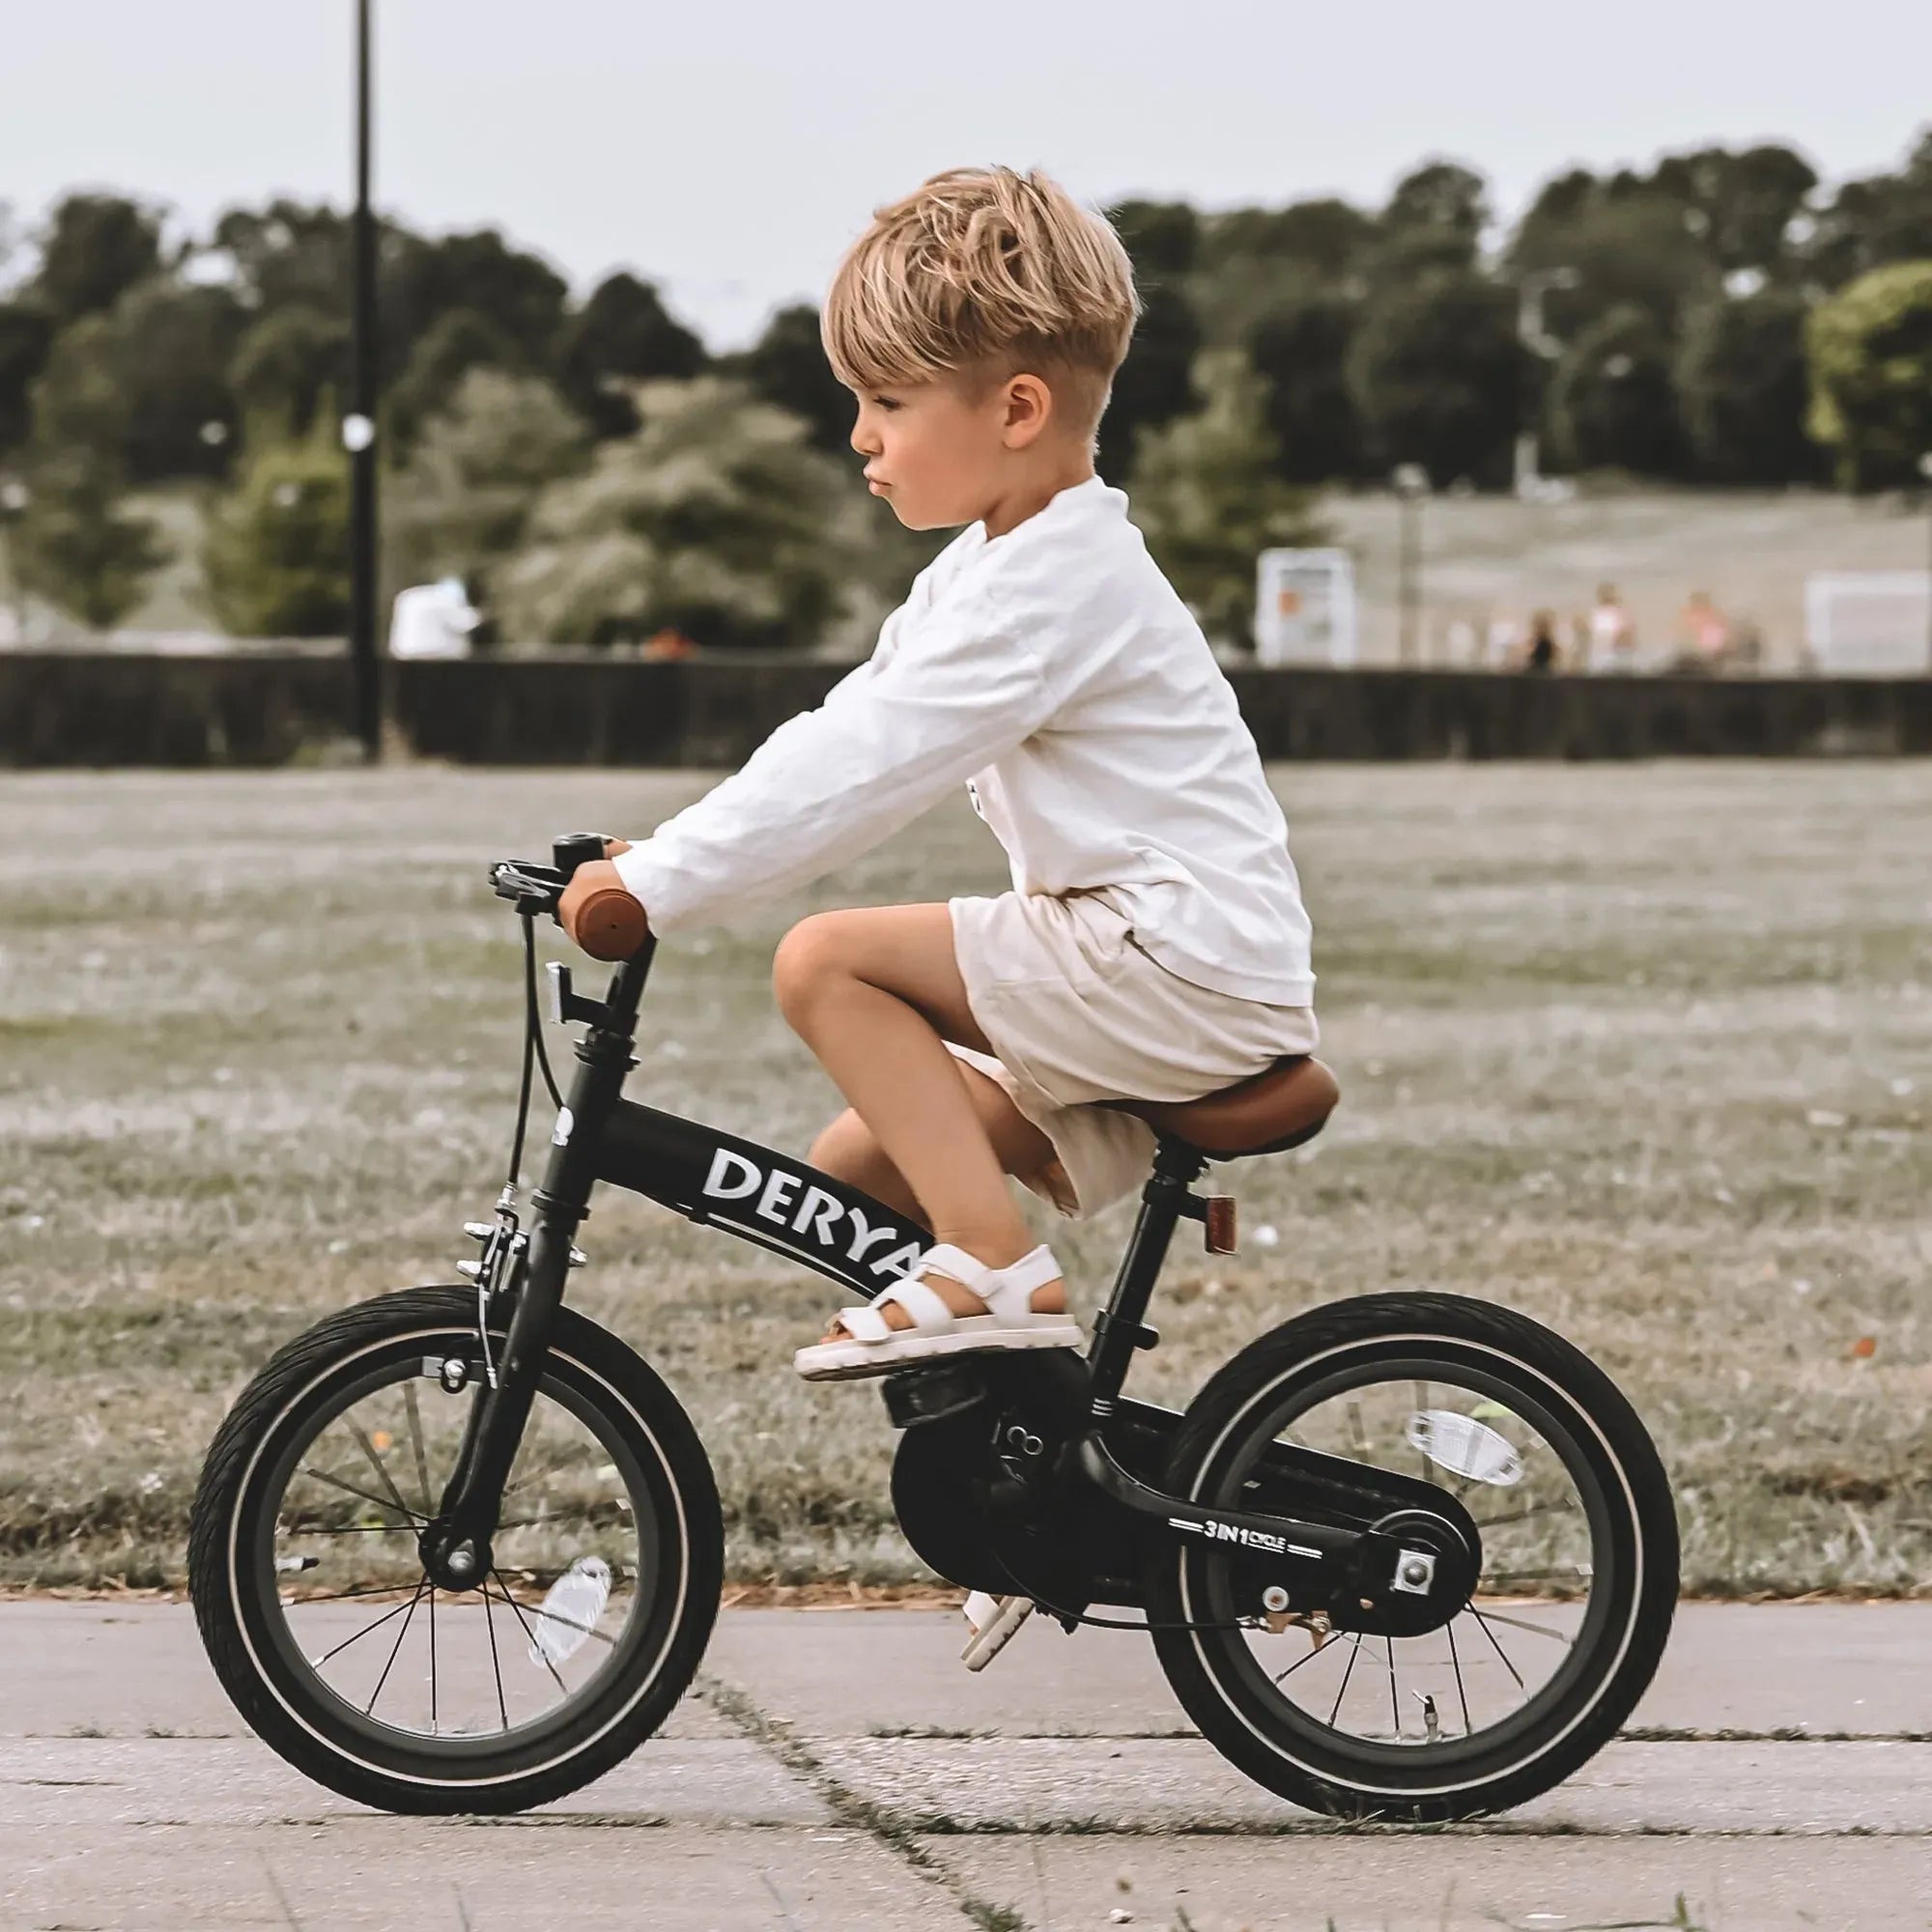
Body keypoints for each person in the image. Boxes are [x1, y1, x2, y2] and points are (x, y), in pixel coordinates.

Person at [556, 166, 1316, 1387]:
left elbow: (863, 766)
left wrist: (661, 889)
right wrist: (661, 856)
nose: (859, 432)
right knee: (859, 1168)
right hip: (1161, 965)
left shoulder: (1047, 588)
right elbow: (842, 725)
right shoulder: (992, 567)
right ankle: (1031, 1498)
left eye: (887, 400)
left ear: (1015, 408)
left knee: (826, 961)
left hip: (1171, 965)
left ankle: (992, 1264)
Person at [1587, 582, 1634, 673]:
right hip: (1600, 656)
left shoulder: (1620, 613)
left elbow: (1627, 637)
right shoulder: (1596, 613)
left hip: (1617, 656)